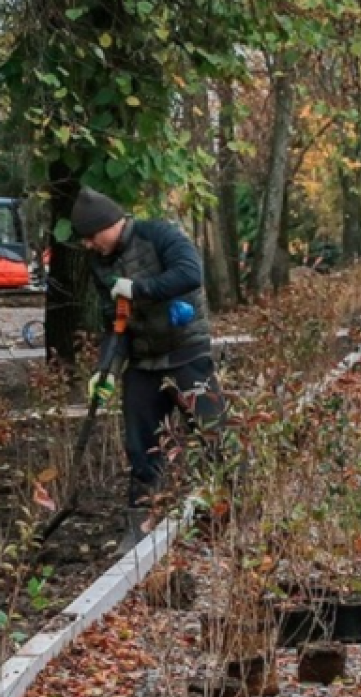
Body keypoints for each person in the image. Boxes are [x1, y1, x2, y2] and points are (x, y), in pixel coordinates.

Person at [69, 186, 226, 539]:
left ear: (110, 224)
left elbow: (189, 274)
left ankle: (230, 514)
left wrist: (136, 288)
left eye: (92, 237)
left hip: (186, 353)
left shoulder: (160, 235)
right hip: (143, 362)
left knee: (213, 435)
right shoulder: (101, 263)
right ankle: (139, 530)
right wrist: (105, 369)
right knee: (140, 448)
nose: (90, 246)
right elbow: (116, 321)